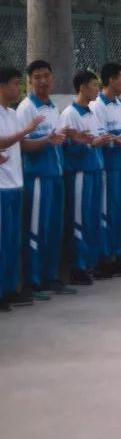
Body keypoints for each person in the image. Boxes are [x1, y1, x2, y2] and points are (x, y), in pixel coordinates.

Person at [16, 60, 67, 301]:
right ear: (30, 81)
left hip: (55, 174)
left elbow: (57, 138)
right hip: (37, 177)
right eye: (37, 77)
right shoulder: (26, 109)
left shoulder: (52, 107)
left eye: (46, 76)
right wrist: (47, 141)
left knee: (53, 228)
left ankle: (51, 276)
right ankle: (33, 281)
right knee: (36, 230)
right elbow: (23, 146)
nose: (43, 81)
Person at [90, 63, 121, 275]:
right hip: (107, 168)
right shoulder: (97, 106)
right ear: (111, 80)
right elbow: (100, 137)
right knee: (106, 212)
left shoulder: (118, 106)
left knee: (120, 211)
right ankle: (104, 257)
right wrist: (120, 141)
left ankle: (118, 252)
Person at [61, 70, 111, 279]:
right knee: (79, 220)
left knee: (92, 218)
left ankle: (91, 261)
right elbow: (67, 147)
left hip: (94, 170)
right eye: (93, 85)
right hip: (80, 172)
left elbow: (95, 138)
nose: (96, 89)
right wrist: (91, 144)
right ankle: (78, 266)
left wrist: (99, 142)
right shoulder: (69, 114)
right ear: (82, 87)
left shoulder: (90, 112)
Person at [0, 67, 43, 310]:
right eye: (16, 84)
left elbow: (21, 144)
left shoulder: (12, 114)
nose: (19, 88)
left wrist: (50, 140)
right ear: (2, 86)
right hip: (2, 186)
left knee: (13, 241)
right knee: (2, 241)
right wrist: (27, 130)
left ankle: (9, 289)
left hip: (16, 183)